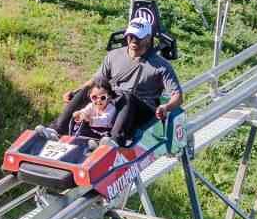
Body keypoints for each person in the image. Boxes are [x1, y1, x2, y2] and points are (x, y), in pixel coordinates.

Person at [49, 16, 183, 147]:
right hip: (113, 100)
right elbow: (96, 80)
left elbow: (177, 96)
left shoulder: (161, 66)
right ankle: (57, 129)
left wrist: (165, 107)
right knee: (89, 91)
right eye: (131, 36)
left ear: (148, 38)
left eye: (138, 37)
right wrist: (75, 92)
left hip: (141, 108)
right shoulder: (114, 55)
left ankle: (115, 139)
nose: (134, 40)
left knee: (126, 96)